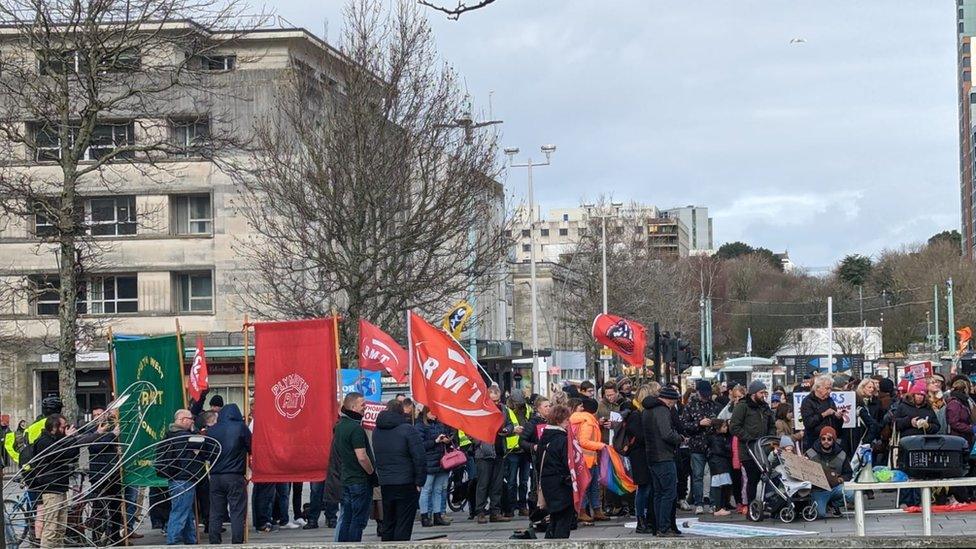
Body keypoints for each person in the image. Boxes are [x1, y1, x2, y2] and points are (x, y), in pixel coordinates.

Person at [31, 414, 107, 548]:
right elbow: (61, 453)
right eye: (63, 427)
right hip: (50, 488)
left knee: (60, 527)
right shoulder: (44, 442)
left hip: (60, 487)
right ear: (54, 428)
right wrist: (69, 438)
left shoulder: (57, 440)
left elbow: (72, 454)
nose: (66, 429)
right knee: (51, 527)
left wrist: (95, 433)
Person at [372, 400, 425, 541]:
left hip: (386, 482)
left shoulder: (377, 430)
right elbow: (419, 457)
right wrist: (420, 480)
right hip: (406, 482)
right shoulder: (407, 429)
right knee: (404, 522)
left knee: (389, 520)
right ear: (401, 411)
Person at [332, 392, 375, 542]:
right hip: (359, 480)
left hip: (347, 479)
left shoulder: (340, 426)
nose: (365, 407)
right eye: (362, 404)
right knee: (358, 520)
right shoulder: (355, 428)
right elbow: (362, 456)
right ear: (353, 406)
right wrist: (371, 472)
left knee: (347, 518)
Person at [161, 409, 208, 545]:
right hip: (185, 477)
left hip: (175, 478)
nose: (192, 421)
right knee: (180, 511)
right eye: (190, 419)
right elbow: (203, 447)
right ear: (182, 420)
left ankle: (190, 540)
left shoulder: (169, 435)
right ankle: (173, 542)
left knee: (186, 511)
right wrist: (195, 432)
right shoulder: (186, 436)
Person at [472, 385, 517, 524]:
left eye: (498, 400)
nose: (496, 403)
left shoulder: (503, 409)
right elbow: (470, 427)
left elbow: (510, 424)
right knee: (483, 484)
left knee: (497, 485)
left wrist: (507, 430)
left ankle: (495, 512)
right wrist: (478, 441)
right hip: (484, 453)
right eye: (494, 401)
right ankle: (480, 512)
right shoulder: (480, 410)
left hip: (499, 451)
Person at [207, 403, 251, 545]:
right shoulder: (241, 428)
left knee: (215, 512)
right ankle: (237, 542)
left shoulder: (212, 430)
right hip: (234, 475)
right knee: (237, 511)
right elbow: (252, 447)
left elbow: (206, 453)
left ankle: (214, 542)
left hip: (215, 476)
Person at [643, 385, 683, 538]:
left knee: (659, 493)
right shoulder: (662, 410)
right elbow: (666, 434)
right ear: (668, 399)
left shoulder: (647, 409)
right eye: (673, 402)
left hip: (651, 456)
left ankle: (658, 527)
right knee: (668, 493)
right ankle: (664, 528)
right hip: (664, 456)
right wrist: (680, 438)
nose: (673, 405)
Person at [893, 380, 940, 508]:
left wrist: (928, 426)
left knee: (921, 472)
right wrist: (909, 421)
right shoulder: (903, 406)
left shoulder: (928, 408)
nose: (919, 397)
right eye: (917, 395)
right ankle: (906, 499)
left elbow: (937, 426)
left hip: (923, 445)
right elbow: (895, 424)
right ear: (912, 395)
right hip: (907, 444)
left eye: (922, 395)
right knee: (906, 472)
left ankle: (921, 499)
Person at [730, 380, 775, 509]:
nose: (764, 395)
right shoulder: (742, 406)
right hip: (748, 449)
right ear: (754, 393)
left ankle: (766, 503)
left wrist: (770, 437)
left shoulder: (765, 407)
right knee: (753, 478)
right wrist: (749, 438)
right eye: (761, 392)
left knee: (767, 477)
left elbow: (771, 424)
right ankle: (751, 506)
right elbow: (734, 427)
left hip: (764, 448)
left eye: (765, 392)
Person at [535, 404, 574, 539]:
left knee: (555, 517)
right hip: (561, 483)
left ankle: (549, 543)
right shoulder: (562, 439)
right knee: (563, 518)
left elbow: (537, 462)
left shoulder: (544, 438)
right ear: (559, 421)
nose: (569, 423)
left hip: (547, 482)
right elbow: (567, 463)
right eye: (567, 420)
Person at [680, 379, 718, 514]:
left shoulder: (714, 405)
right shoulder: (690, 406)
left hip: (713, 445)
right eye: (703, 393)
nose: (705, 396)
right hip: (697, 445)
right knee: (697, 476)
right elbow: (684, 425)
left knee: (715, 475)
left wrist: (715, 424)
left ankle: (714, 503)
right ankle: (699, 503)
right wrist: (699, 424)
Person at [416, 408, 455, 527]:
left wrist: (447, 440)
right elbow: (420, 445)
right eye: (432, 412)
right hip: (428, 461)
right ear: (425, 413)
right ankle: (425, 516)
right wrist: (435, 441)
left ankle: (437, 515)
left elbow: (449, 434)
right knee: (426, 490)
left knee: (438, 489)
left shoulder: (440, 424)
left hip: (441, 461)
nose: (434, 415)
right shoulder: (420, 426)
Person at [571, 397, 607, 523]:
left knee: (592, 486)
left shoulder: (587, 420)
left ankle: (596, 510)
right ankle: (583, 511)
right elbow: (583, 441)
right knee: (588, 486)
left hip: (590, 458)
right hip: (587, 459)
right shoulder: (588, 422)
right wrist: (601, 446)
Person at [804, 426, 851, 518]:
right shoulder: (810, 453)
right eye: (823, 439)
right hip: (818, 490)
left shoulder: (842, 454)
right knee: (820, 514)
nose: (826, 441)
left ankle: (834, 504)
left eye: (829, 439)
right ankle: (825, 504)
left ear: (833, 440)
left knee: (852, 493)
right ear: (820, 439)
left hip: (835, 487)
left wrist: (840, 479)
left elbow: (849, 473)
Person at [625, 384, 653, 534]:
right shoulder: (636, 415)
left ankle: (644, 518)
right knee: (643, 487)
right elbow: (640, 436)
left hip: (642, 454)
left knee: (646, 487)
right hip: (639, 455)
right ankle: (640, 519)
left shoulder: (639, 414)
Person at [946, 375, 974, 504]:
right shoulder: (955, 403)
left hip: (963, 438)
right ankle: (959, 495)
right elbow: (954, 422)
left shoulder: (962, 402)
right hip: (957, 439)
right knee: (960, 467)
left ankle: (964, 494)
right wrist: (970, 428)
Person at [504, 392, 533, 517]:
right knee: (511, 481)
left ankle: (522, 506)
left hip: (524, 450)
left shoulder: (528, 410)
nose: (520, 406)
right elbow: (503, 430)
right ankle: (511, 507)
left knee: (523, 481)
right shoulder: (506, 411)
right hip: (512, 450)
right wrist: (513, 431)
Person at [800, 375, 843, 451]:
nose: (829, 391)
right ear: (818, 387)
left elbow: (837, 425)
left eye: (830, 389)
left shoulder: (830, 400)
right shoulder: (807, 401)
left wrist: (839, 418)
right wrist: (824, 414)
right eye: (827, 388)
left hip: (830, 442)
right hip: (813, 441)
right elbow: (808, 423)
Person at [707, 419, 733, 516]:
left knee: (723, 485)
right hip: (718, 463)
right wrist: (729, 452)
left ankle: (721, 506)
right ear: (718, 428)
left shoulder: (720, 437)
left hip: (719, 462)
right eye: (724, 426)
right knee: (719, 486)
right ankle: (718, 507)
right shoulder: (716, 438)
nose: (726, 428)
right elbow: (719, 450)